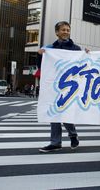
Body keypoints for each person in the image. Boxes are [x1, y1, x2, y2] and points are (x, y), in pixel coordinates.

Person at [38, 21, 84, 153]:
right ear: (57, 32)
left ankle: (72, 135)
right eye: (63, 30)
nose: (66, 32)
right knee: (54, 113)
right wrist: (39, 55)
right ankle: (55, 142)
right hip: (54, 86)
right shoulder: (49, 48)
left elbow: (83, 64)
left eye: (68, 30)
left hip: (70, 86)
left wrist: (86, 54)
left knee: (65, 113)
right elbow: (42, 67)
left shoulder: (76, 49)